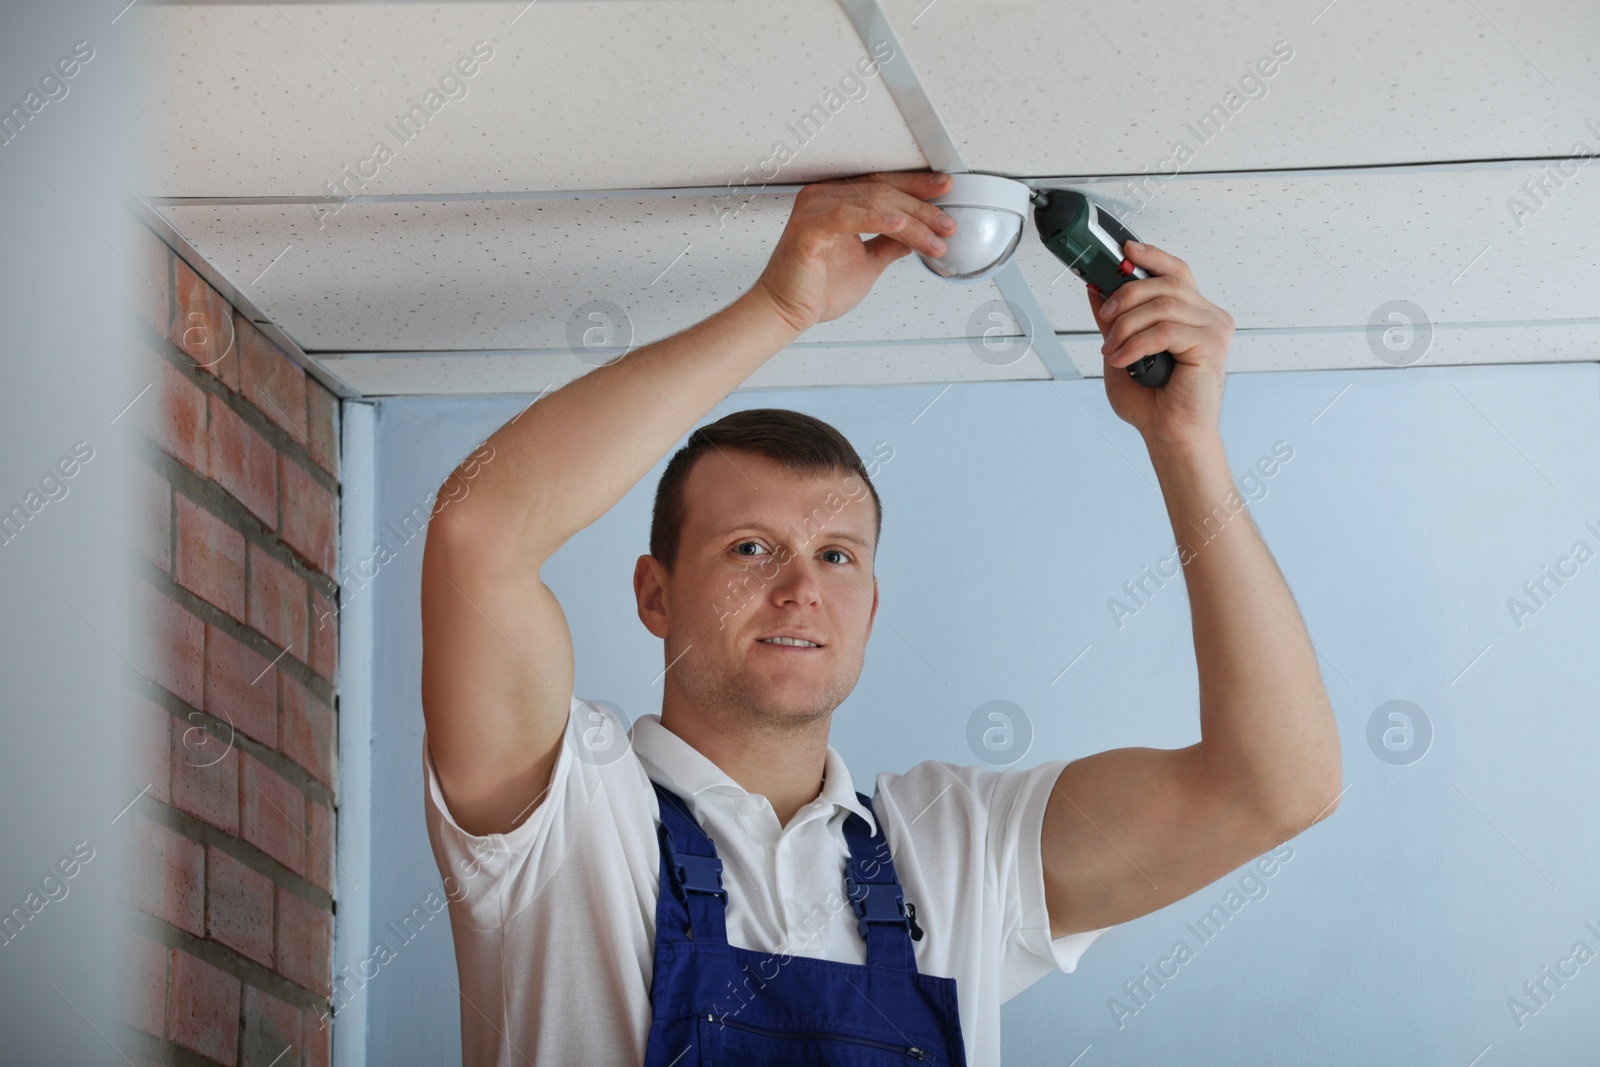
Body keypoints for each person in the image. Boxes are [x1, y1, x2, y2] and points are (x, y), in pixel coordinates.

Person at [418, 169, 1342, 1066]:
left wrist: (1186, 442)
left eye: (836, 556)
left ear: (870, 605)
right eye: (749, 547)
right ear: (654, 593)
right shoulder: (564, 812)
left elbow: (1277, 787)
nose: (800, 590)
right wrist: (779, 311)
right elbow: (480, 532)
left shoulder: (951, 849)